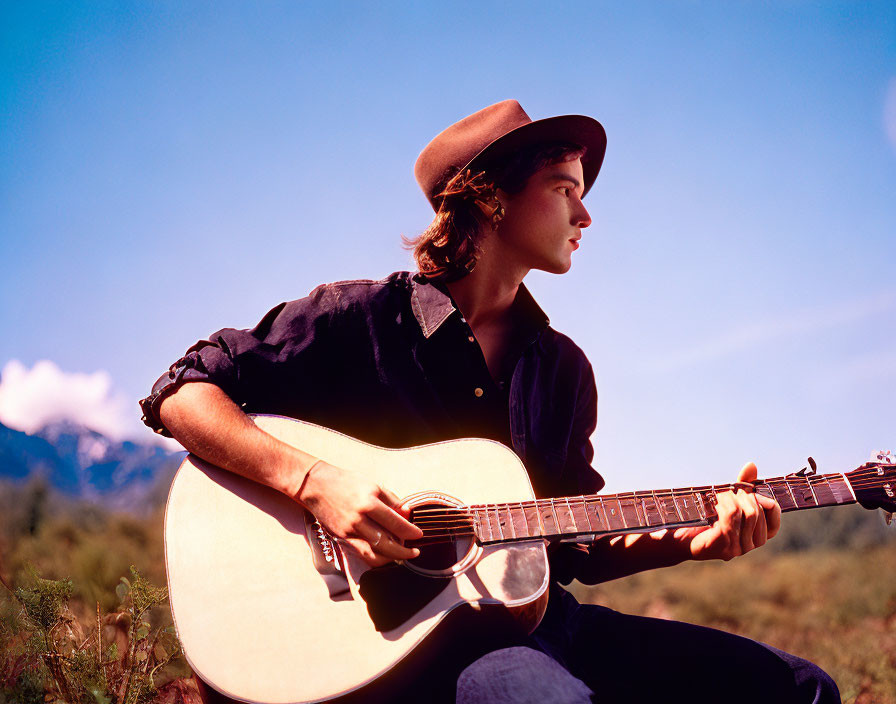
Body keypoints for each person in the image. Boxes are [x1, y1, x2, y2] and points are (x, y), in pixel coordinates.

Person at [140, 100, 839, 703]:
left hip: (541, 622)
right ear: (490, 198)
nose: (586, 213)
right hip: (424, 641)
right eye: (564, 187)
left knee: (803, 690)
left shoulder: (561, 368)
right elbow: (182, 394)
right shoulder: (357, 320)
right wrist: (317, 483)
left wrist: (694, 541)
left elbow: (572, 544)